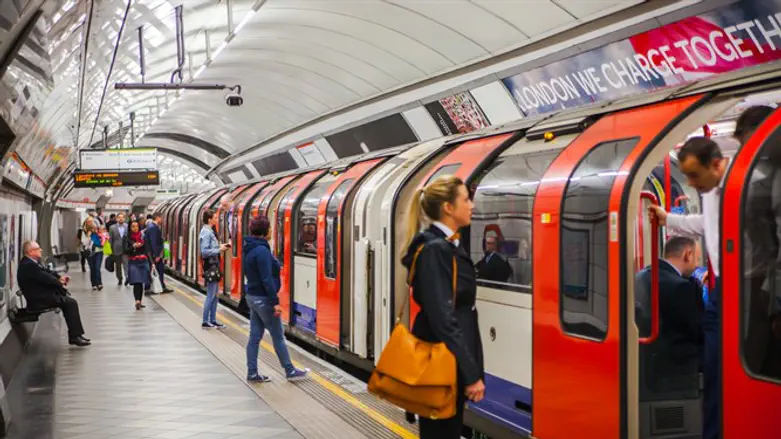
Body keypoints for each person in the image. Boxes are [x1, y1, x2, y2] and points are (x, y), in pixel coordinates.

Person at [648, 136, 727, 439]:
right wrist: (670, 219)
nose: (691, 184)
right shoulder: (710, 191)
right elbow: (705, 223)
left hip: (743, 285)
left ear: (717, 165)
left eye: (694, 175)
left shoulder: (744, 188)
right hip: (723, 287)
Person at [400, 175, 485, 438]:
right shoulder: (436, 250)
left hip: (446, 362)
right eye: (465, 199)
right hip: (442, 365)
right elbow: (444, 316)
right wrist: (471, 373)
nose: (471, 205)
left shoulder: (442, 246)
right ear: (448, 207)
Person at [243, 215, 310, 382]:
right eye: (270, 228)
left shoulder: (249, 249)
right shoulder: (262, 251)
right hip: (264, 299)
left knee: (254, 337)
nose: (272, 231)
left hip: (252, 296)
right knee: (278, 336)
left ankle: (252, 373)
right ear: (265, 231)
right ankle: (290, 370)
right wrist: (275, 303)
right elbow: (266, 279)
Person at [636, 237, 704, 373]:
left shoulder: (640, 276)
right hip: (677, 363)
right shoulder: (681, 287)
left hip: (648, 360)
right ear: (688, 255)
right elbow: (698, 330)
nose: (697, 266)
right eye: (697, 259)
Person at [17, 240, 90, 346]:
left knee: (69, 302)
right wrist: (59, 282)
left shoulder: (31, 262)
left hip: (41, 295)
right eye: (38, 249)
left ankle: (76, 335)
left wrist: (59, 278)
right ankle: (75, 336)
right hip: (39, 299)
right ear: (30, 252)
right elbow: (45, 278)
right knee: (70, 303)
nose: (41, 250)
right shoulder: (28, 265)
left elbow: (47, 273)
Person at [200, 209, 229, 329]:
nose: (217, 220)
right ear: (209, 219)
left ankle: (213, 319)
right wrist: (219, 250)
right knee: (211, 294)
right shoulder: (206, 232)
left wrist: (220, 247)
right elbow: (204, 252)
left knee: (215, 295)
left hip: (214, 265)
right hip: (211, 265)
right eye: (215, 218)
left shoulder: (209, 231)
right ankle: (205, 320)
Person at [124, 220, 150, 310]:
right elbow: (125, 250)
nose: (135, 228)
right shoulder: (127, 238)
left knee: (141, 282)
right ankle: (137, 301)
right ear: (130, 228)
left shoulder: (143, 237)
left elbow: (148, 250)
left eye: (136, 226)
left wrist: (152, 263)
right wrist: (133, 246)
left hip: (143, 261)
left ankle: (139, 301)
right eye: (133, 226)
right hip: (133, 261)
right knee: (136, 281)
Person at [145, 212, 172, 294]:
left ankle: (161, 286)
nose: (162, 220)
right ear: (157, 218)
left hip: (153, 254)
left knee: (157, 271)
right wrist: (157, 255)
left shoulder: (152, 227)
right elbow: (154, 243)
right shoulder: (153, 227)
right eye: (162, 218)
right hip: (155, 255)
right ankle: (150, 288)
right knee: (157, 270)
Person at [81, 218, 104, 291]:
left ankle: (99, 283)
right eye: (89, 222)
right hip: (90, 252)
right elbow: (84, 243)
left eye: (92, 221)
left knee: (97, 267)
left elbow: (104, 239)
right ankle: (94, 284)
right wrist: (88, 236)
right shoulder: (84, 232)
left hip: (98, 251)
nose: (91, 223)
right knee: (92, 268)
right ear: (86, 223)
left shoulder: (98, 231)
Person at [109, 213, 129, 286]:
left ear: (124, 219)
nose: (121, 219)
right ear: (116, 219)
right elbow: (111, 239)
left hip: (125, 249)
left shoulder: (127, 226)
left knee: (126, 264)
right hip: (116, 249)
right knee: (118, 266)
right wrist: (111, 250)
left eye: (122, 217)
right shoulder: (112, 228)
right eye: (119, 217)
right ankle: (120, 279)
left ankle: (127, 278)